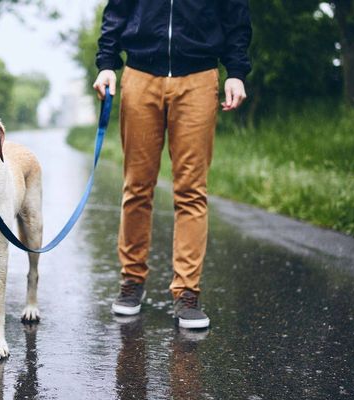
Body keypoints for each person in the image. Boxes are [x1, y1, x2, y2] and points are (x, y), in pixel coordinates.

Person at [93, 0, 252, 328]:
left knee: (192, 190)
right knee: (137, 187)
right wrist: (107, 62)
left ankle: (187, 293)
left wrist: (236, 71)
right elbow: (117, 12)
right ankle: (132, 282)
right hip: (139, 76)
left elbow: (235, 15)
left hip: (198, 77)